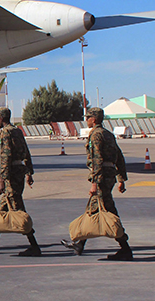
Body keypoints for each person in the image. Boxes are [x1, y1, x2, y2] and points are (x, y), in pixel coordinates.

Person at [62, 107, 133, 260]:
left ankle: (125, 248)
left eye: (88, 117)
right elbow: (119, 157)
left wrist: (94, 182)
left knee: (101, 210)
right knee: (99, 210)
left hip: (101, 179)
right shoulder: (108, 135)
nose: (86, 120)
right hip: (109, 177)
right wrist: (121, 179)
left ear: (93, 119)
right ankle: (80, 244)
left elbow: (97, 160)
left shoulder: (95, 135)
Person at [0, 107, 41, 256]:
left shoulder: (5, 132)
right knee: (1, 209)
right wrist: (29, 171)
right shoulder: (17, 131)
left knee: (17, 210)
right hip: (19, 172)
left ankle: (34, 245)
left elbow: (5, 157)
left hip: (11, 176)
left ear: (2, 118)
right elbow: (26, 151)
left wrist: (2, 179)